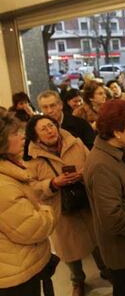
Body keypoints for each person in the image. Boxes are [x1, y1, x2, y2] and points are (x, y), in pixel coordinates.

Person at [26, 115, 107, 296]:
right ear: (36, 137)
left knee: (96, 240)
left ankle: (106, 270)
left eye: (51, 125)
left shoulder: (75, 143)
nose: (50, 130)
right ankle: (77, 280)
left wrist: (83, 174)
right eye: (44, 129)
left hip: (86, 201)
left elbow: (94, 163)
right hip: (60, 209)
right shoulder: (32, 159)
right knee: (69, 249)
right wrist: (53, 183)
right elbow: (31, 189)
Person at [83, 100, 125, 296]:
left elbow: (121, 187)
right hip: (122, 251)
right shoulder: (102, 165)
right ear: (117, 132)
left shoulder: (116, 151)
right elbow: (112, 218)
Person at [0, 112, 57, 296]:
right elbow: (31, 228)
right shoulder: (3, 185)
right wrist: (46, 210)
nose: (22, 135)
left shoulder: (11, 168)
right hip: (18, 273)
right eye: (15, 133)